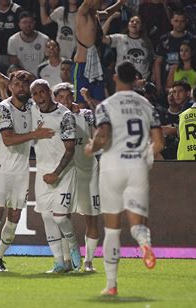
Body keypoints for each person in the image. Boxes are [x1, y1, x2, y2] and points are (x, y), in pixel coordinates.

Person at [85, 61, 164, 295]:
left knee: (112, 230)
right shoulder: (146, 105)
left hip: (112, 167)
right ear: (135, 78)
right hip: (136, 167)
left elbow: (103, 134)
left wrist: (92, 147)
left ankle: (111, 285)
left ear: (116, 76)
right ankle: (144, 242)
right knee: (137, 224)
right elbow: (159, 142)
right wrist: (145, 160)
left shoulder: (106, 105)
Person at [0, 70, 54, 273]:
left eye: (25, 85)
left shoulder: (32, 106)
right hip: (2, 167)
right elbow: (8, 139)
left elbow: (46, 101)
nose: (21, 88)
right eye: (16, 84)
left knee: (14, 216)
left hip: (22, 168)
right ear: (11, 87)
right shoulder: (2, 108)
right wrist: (36, 134)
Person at [29, 79, 82, 273]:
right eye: (35, 94)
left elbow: (70, 150)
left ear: (49, 92)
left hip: (64, 171)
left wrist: (56, 173)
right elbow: (14, 102)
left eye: (42, 92)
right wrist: (4, 84)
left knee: (60, 217)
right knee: (46, 217)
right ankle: (60, 262)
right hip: (43, 171)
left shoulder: (65, 115)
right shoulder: (32, 109)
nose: (39, 97)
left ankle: (74, 246)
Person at [54, 82, 100, 272]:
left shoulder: (86, 115)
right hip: (67, 172)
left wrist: (89, 100)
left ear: (73, 97)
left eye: (68, 96)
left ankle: (88, 262)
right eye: (61, 97)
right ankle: (67, 260)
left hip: (88, 171)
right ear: (55, 99)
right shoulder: (54, 118)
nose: (65, 100)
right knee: (63, 216)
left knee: (91, 218)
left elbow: (101, 122)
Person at [102, 15, 154, 81]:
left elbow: (153, 60)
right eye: (132, 21)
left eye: (137, 22)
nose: (134, 23)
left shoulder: (147, 42)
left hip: (141, 82)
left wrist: (153, 74)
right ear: (128, 25)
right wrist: (110, 18)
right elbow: (102, 38)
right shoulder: (119, 38)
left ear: (141, 26)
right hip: (122, 81)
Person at [7, 11, 50, 77]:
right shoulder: (13, 40)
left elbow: (48, 60)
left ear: (34, 23)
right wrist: (29, 77)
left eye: (30, 22)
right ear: (19, 24)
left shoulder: (44, 39)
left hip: (42, 75)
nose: (28, 25)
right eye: (24, 22)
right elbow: (14, 64)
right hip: (22, 76)